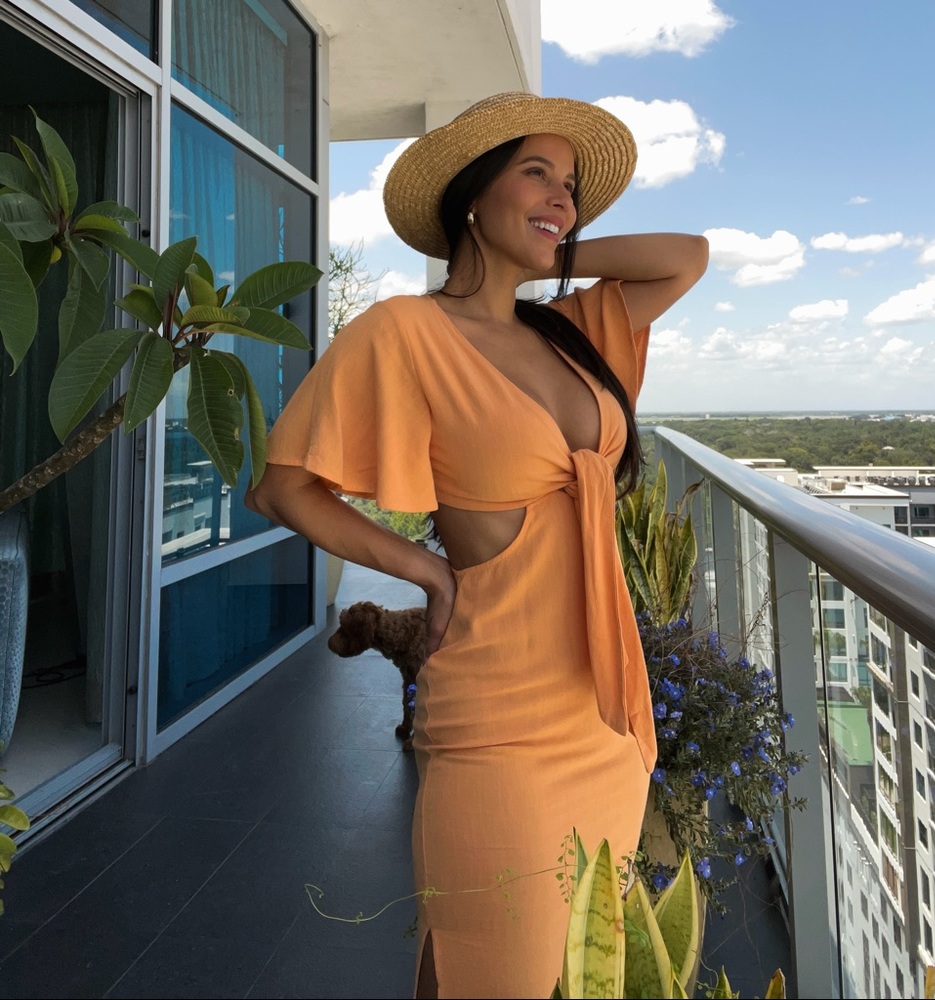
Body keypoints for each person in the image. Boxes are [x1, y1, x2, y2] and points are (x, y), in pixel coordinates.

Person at [246, 91, 708, 999]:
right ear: (470, 196)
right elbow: (282, 486)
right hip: (498, 718)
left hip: (606, 718)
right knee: (481, 971)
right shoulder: (406, 332)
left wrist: (551, 255)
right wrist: (418, 565)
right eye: (535, 173)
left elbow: (684, 259)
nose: (560, 198)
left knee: (581, 974)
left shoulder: (567, 333)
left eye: (569, 186)